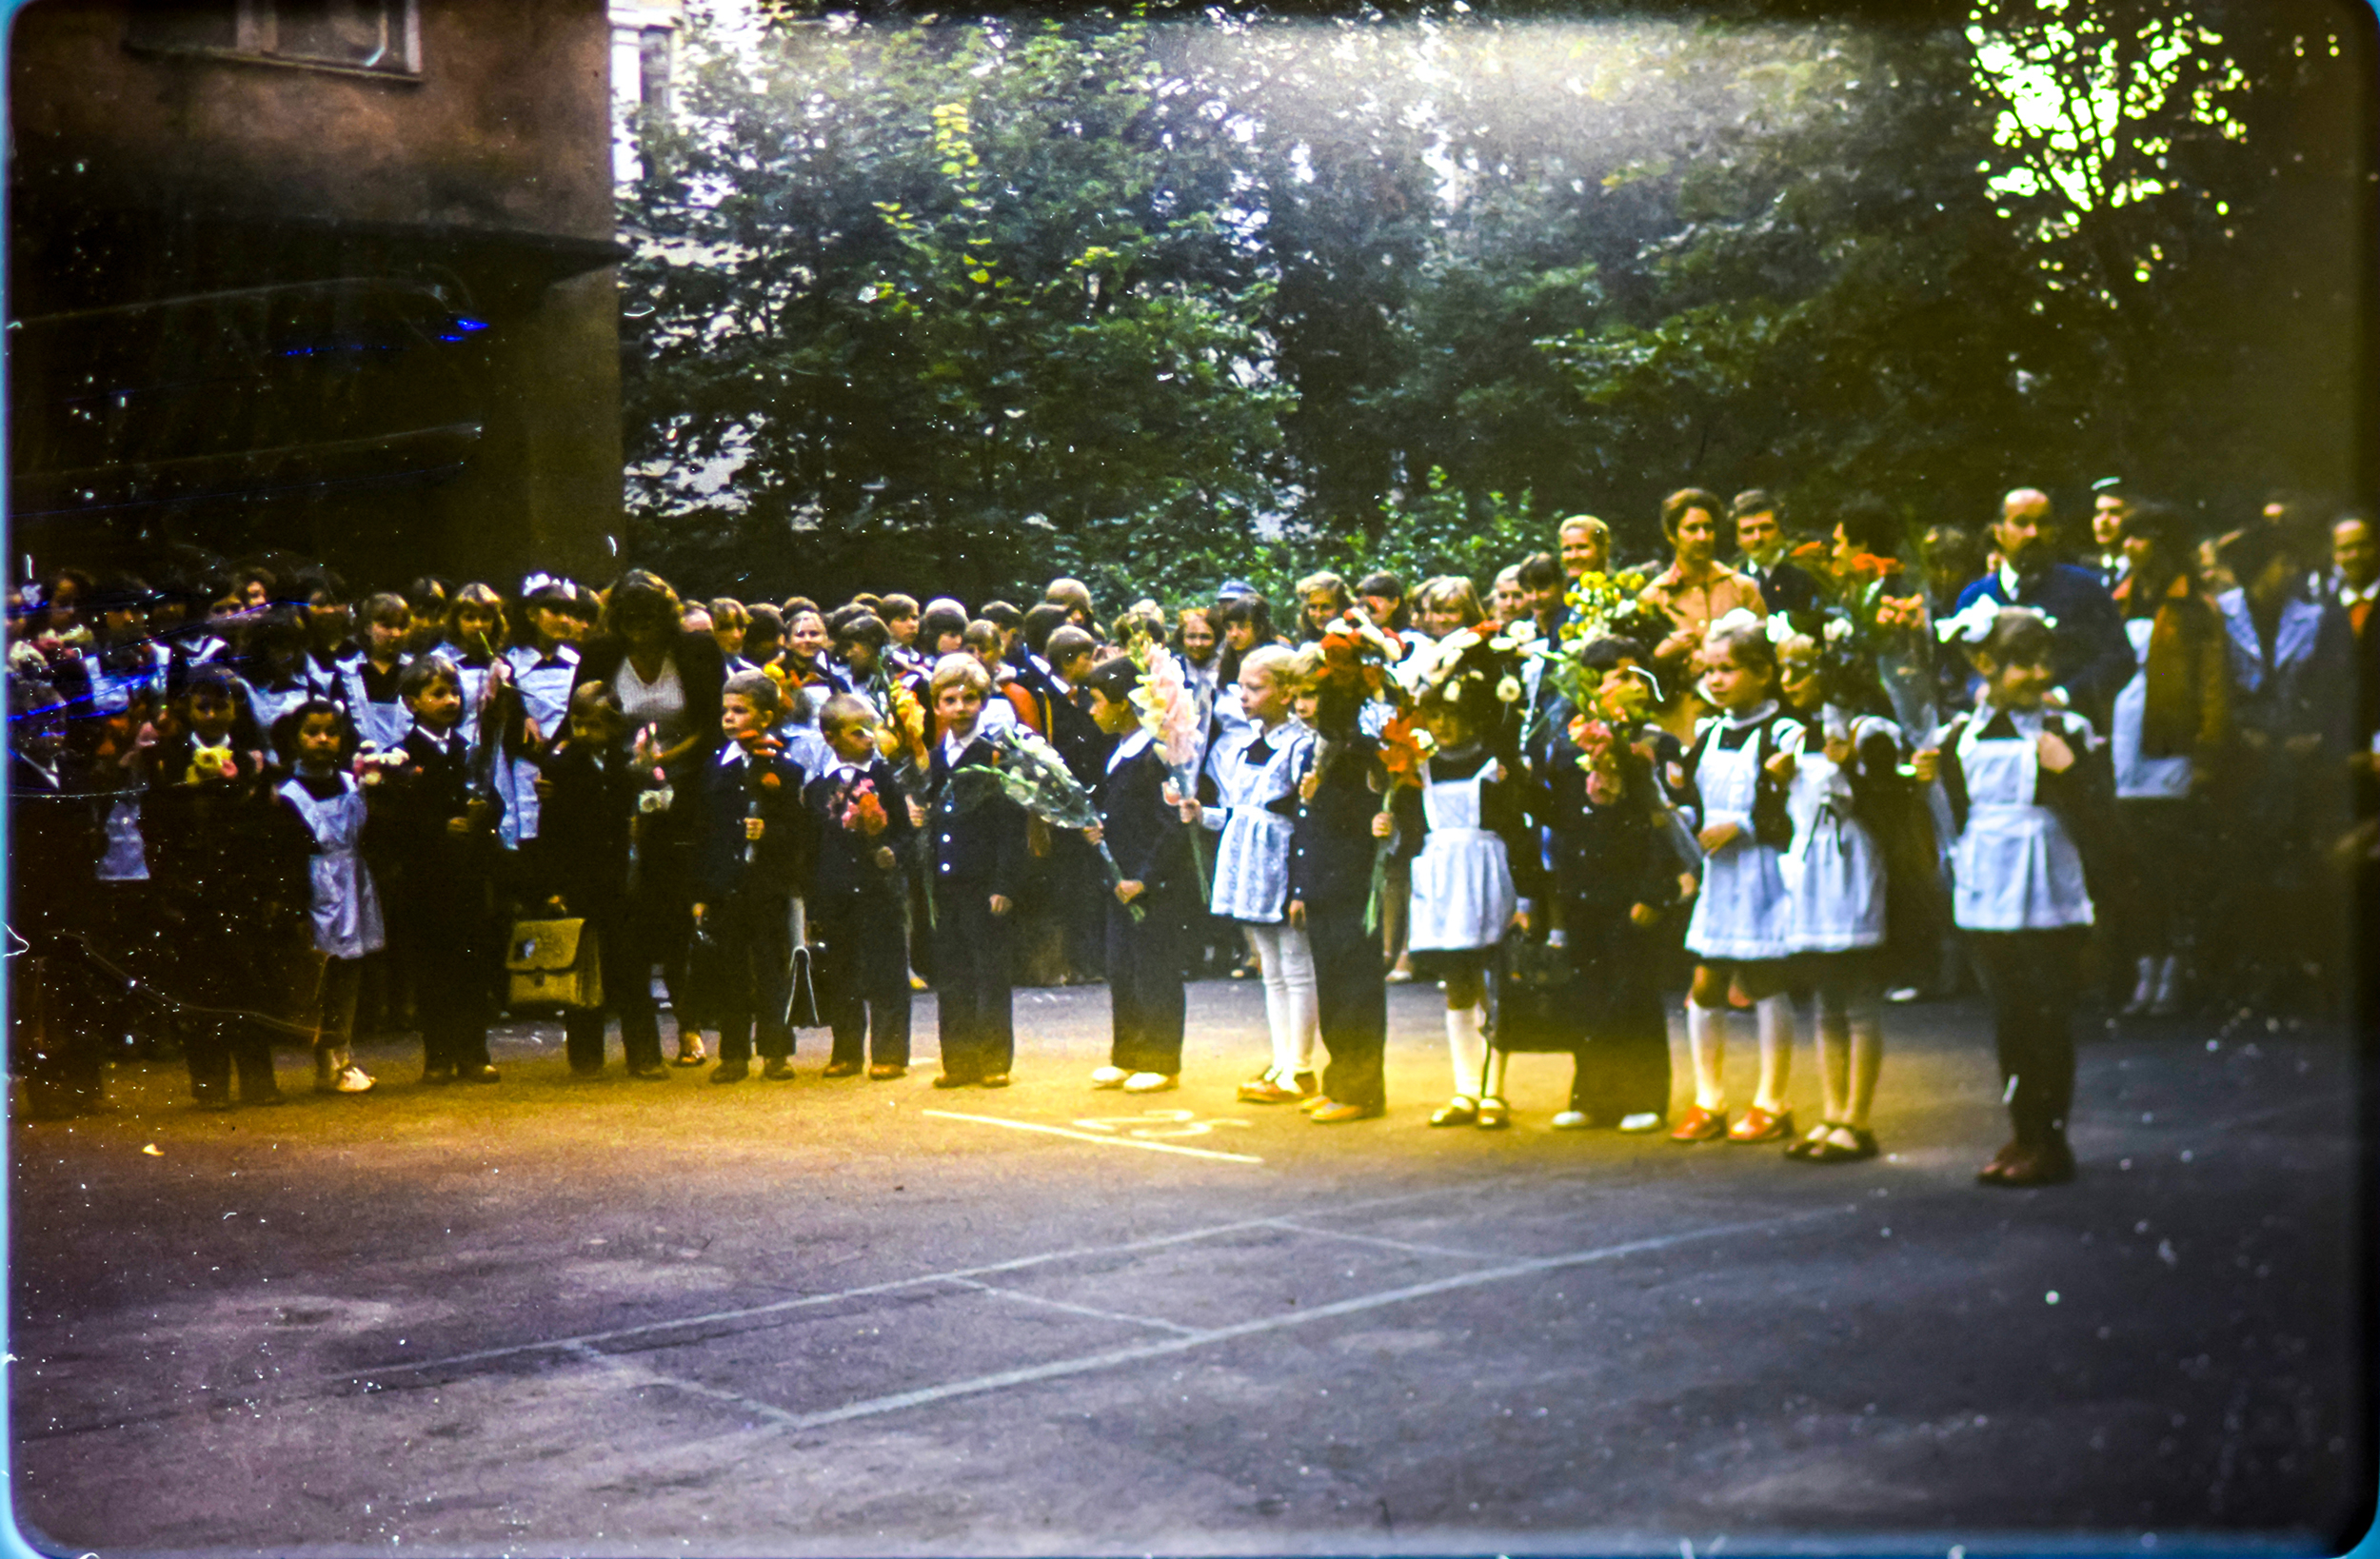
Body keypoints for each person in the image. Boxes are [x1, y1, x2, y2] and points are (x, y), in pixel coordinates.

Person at [1914, 606, 2111, 1187]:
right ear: (1985, 665)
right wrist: (1926, 779)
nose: (2037, 675)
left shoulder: (2066, 730)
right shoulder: (1958, 735)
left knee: (2047, 1014)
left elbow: (2100, 817)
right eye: (2021, 663)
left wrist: (2070, 770)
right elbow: (1953, 814)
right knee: (2009, 1015)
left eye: (2044, 663)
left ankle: (2052, 1142)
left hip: (2047, 883)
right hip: (1987, 882)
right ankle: (2022, 1131)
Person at [574, 571, 726, 1065]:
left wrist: (663, 760)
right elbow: (578, 721)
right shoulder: (599, 654)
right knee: (629, 921)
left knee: (680, 918)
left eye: (649, 620)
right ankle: (642, 1047)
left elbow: (713, 725)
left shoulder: (698, 651)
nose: (640, 631)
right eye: (629, 621)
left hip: (688, 795)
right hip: (622, 798)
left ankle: (689, 1028)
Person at [1770, 637, 1907, 1163]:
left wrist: (1852, 769)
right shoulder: (1798, 735)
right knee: (1826, 998)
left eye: (1800, 669)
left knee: (1858, 995)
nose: (1789, 679)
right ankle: (1831, 1113)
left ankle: (1858, 1117)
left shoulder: (1871, 733)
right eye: (1784, 669)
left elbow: (1892, 809)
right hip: (1811, 872)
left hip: (1851, 869)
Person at [1668, 611, 1801, 1145]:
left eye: (1729, 669)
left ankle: (1773, 1101)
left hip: (1762, 869)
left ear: (1763, 672)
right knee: (1705, 984)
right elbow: (1689, 802)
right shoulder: (1706, 733)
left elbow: (1793, 807)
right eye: (1710, 670)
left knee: (1764, 980)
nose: (1716, 679)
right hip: (1718, 876)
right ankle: (1710, 1100)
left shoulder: (1785, 732)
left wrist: (1743, 824)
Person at [2107, 503, 2228, 1016]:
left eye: (2141, 537)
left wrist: (2207, 751)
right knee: (2135, 865)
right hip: (2123, 740)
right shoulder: (2115, 600)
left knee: (2173, 865)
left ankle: (2175, 970)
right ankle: (2146, 966)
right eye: (2128, 538)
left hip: (2170, 745)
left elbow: (2215, 685)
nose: (2130, 546)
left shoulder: (2196, 607)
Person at [1400, 656, 1530, 1129]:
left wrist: (1530, 899)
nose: (1444, 724)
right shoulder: (1420, 770)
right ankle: (1465, 1089)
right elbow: (1412, 830)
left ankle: (1494, 1091)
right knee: (1457, 985)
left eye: (1453, 715)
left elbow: (1517, 832)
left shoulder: (1496, 767)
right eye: (1435, 716)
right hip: (1442, 882)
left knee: (1493, 983)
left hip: (1486, 874)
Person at [1184, 643, 1318, 1102]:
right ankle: (1282, 1062)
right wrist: (1203, 814)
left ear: (1286, 693)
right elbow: (1241, 812)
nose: (1243, 695)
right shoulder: (1247, 745)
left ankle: (1300, 1067)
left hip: (1280, 863)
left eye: (1255, 688)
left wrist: (1301, 881)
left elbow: (1298, 816)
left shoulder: (1302, 745)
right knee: (1271, 967)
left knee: (1295, 964)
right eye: (1240, 686)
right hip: (1249, 863)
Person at [532, 682, 669, 1079]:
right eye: (579, 723)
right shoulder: (559, 766)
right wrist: (553, 886)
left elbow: (656, 801)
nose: (585, 732)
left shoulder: (629, 760)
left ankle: (644, 1055)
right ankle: (585, 1056)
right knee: (584, 973)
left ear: (615, 725)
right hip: (581, 880)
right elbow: (551, 831)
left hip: (624, 879)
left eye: (596, 725)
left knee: (631, 971)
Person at [382, 653, 505, 1084]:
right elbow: (391, 819)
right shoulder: (398, 757)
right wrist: (438, 826)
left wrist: (483, 814)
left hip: (467, 875)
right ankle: (438, 1054)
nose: (450, 700)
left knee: (472, 965)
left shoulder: (470, 751)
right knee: (433, 969)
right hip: (426, 877)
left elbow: (496, 801)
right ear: (413, 702)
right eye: (438, 694)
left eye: (454, 692)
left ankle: (474, 1051)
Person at [1282, 647, 1391, 1123]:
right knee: (1331, 988)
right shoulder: (1313, 747)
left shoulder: (1357, 750)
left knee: (1355, 989)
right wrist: (1301, 888)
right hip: (1323, 885)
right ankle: (1340, 1079)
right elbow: (1306, 828)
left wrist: (1322, 791)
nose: (1303, 706)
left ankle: (1362, 1089)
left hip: (1351, 884)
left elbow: (1360, 823)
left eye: (1312, 695)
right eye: (1298, 696)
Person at [688, 672, 809, 1083]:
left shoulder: (785, 769)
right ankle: (734, 1053)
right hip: (726, 884)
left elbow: (798, 829)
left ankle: (776, 1051)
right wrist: (702, 890)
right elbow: (704, 831)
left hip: (767, 884)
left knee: (772, 970)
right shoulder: (714, 768)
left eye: (740, 711)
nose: (729, 718)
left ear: (766, 716)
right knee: (731, 971)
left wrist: (770, 833)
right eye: (726, 710)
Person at [1081, 656, 1195, 1092]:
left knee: (1154, 971)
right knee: (1122, 968)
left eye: (1097, 701)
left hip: (1149, 887)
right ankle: (1127, 1054)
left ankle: (1161, 1059)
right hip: (1119, 883)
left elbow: (1171, 824)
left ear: (1123, 705)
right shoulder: (1119, 751)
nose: (1092, 711)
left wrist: (1145, 877)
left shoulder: (1157, 752)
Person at [1950, 487, 2132, 727]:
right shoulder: (1974, 597)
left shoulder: (2085, 589)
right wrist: (1980, 691)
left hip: (2067, 731)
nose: (2033, 533)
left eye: (2043, 523)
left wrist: (2064, 695)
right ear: (1999, 531)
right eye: (2021, 523)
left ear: (2054, 531)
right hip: (1993, 736)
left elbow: (2119, 658)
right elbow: (1954, 669)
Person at [805, 693, 917, 1080]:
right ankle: (846, 1049)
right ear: (831, 737)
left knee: (886, 971)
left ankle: (890, 1051)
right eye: (857, 732)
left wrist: (892, 852)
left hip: (877, 889)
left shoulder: (885, 779)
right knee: (842, 973)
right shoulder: (818, 787)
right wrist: (814, 898)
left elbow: (905, 831)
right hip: (836, 891)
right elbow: (813, 844)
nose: (869, 738)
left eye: (872, 729)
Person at [1639, 488, 1767, 738]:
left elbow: (1765, 655)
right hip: (1677, 726)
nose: (1702, 537)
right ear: (1671, 535)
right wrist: (1660, 656)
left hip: (1741, 724)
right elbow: (1636, 673)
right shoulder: (1653, 597)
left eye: (1708, 528)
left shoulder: (1742, 589)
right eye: (1692, 528)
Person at [1733, 490, 1826, 621]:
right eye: (1748, 531)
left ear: (1781, 531)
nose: (1757, 538)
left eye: (1766, 528)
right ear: (1738, 539)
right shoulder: (1733, 579)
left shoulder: (1807, 570)